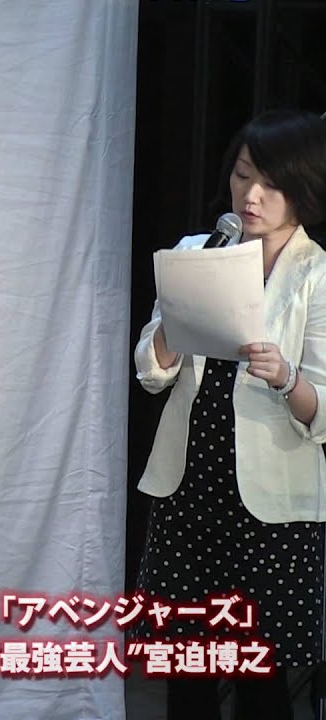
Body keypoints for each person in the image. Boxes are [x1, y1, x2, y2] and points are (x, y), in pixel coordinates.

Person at [132, 108, 326, 719]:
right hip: (189, 490)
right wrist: (173, 331)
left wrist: (286, 377)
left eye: (270, 184)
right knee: (185, 666)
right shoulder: (198, 251)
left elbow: (322, 408)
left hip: (269, 505)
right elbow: (151, 371)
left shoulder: (316, 274)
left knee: (259, 674)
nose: (252, 196)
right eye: (243, 177)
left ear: (303, 189)